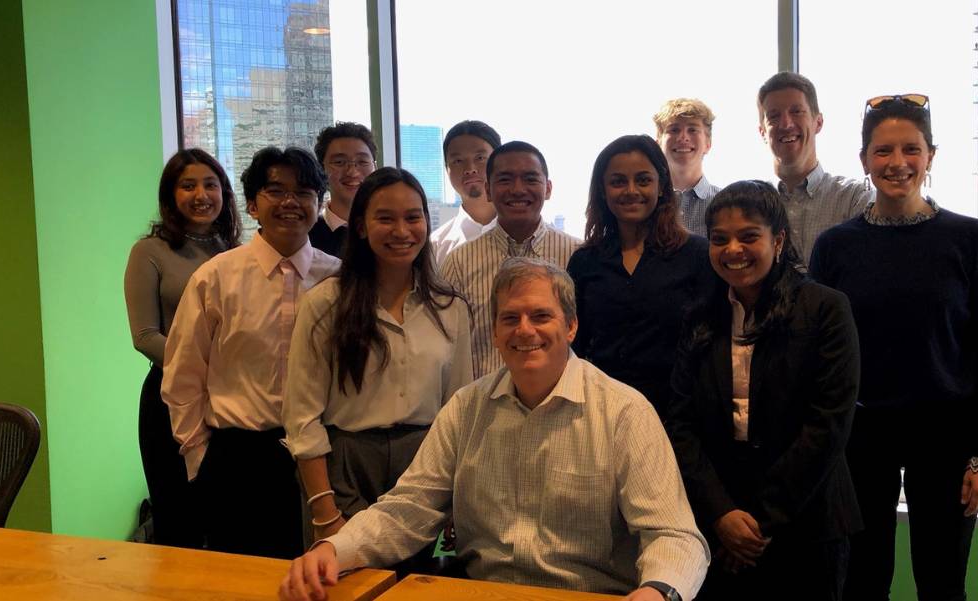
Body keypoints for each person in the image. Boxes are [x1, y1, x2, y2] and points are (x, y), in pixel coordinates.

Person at [279, 257, 708, 601]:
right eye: (510, 318)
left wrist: (657, 591)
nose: (525, 330)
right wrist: (335, 550)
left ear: (572, 326)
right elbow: (407, 509)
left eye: (541, 315)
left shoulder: (624, 412)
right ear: (496, 333)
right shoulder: (466, 408)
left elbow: (674, 535)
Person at [809, 95, 978, 601]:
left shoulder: (970, 240)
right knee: (860, 583)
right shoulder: (835, 247)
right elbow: (818, 353)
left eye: (910, 149)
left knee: (941, 583)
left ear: (931, 156)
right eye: (883, 151)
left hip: (946, 436)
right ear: (864, 161)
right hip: (860, 438)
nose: (897, 163)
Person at [665, 180, 861, 600]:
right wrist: (722, 515)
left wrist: (757, 522)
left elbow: (827, 424)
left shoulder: (825, 309)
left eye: (749, 236)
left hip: (807, 522)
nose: (733, 249)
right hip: (718, 522)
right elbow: (680, 423)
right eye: (720, 239)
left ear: (779, 239)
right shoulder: (699, 317)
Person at [162, 146, 341, 559]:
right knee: (242, 580)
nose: (290, 202)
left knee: (322, 578)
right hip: (239, 459)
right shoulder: (216, 277)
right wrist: (200, 458)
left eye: (304, 192)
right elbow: (183, 375)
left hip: (323, 457)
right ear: (253, 204)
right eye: (275, 191)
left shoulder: (337, 278)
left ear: (319, 203)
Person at [283, 166, 472, 541]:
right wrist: (323, 509)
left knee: (421, 588)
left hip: (424, 467)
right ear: (361, 226)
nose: (402, 231)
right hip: (346, 466)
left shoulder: (450, 307)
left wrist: (455, 502)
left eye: (412, 217)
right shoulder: (325, 304)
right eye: (385, 218)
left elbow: (458, 411)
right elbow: (302, 416)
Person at [123, 148, 242, 548]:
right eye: (187, 185)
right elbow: (144, 336)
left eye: (210, 184)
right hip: (168, 399)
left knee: (226, 519)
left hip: (229, 400)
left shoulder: (234, 250)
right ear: (170, 194)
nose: (200, 194)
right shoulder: (150, 252)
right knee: (178, 519)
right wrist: (202, 370)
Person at [567, 134, 715, 416]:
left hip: (677, 415)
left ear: (661, 187)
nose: (631, 190)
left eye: (643, 180)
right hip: (600, 413)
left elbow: (708, 344)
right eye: (618, 181)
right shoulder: (585, 261)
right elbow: (575, 345)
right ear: (602, 190)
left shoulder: (696, 254)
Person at [439, 141, 580, 379]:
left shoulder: (577, 255)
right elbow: (448, 348)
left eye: (530, 179)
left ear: (547, 188)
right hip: (485, 407)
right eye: (504, 179)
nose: (517, 189)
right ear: (488, 190)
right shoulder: (459, 262)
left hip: (564, 404)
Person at [757, 72, 871, 265]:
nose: (785, 124)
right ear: (762, 132)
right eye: (774, 116)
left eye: (796, 111)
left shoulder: (854, 199)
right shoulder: (752, 203)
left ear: (818, 122)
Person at [430, 120, 502, 265]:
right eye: (457, 161)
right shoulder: (436, 245)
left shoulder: (526, 234)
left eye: (480, 158)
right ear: (446, 169)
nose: (470, 168)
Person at [653, 98, 720, 236]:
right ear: (658, 144)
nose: (683, 137)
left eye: (692, 129)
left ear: (708, 144)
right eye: (674, 129)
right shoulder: (645, 203)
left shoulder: (725, 203)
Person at [310, 122, 378, 256]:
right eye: (339, 162)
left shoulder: (388, 231)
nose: (352, 172)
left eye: (362, 162)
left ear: (375, 168)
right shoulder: (306, 236)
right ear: (321, 170)